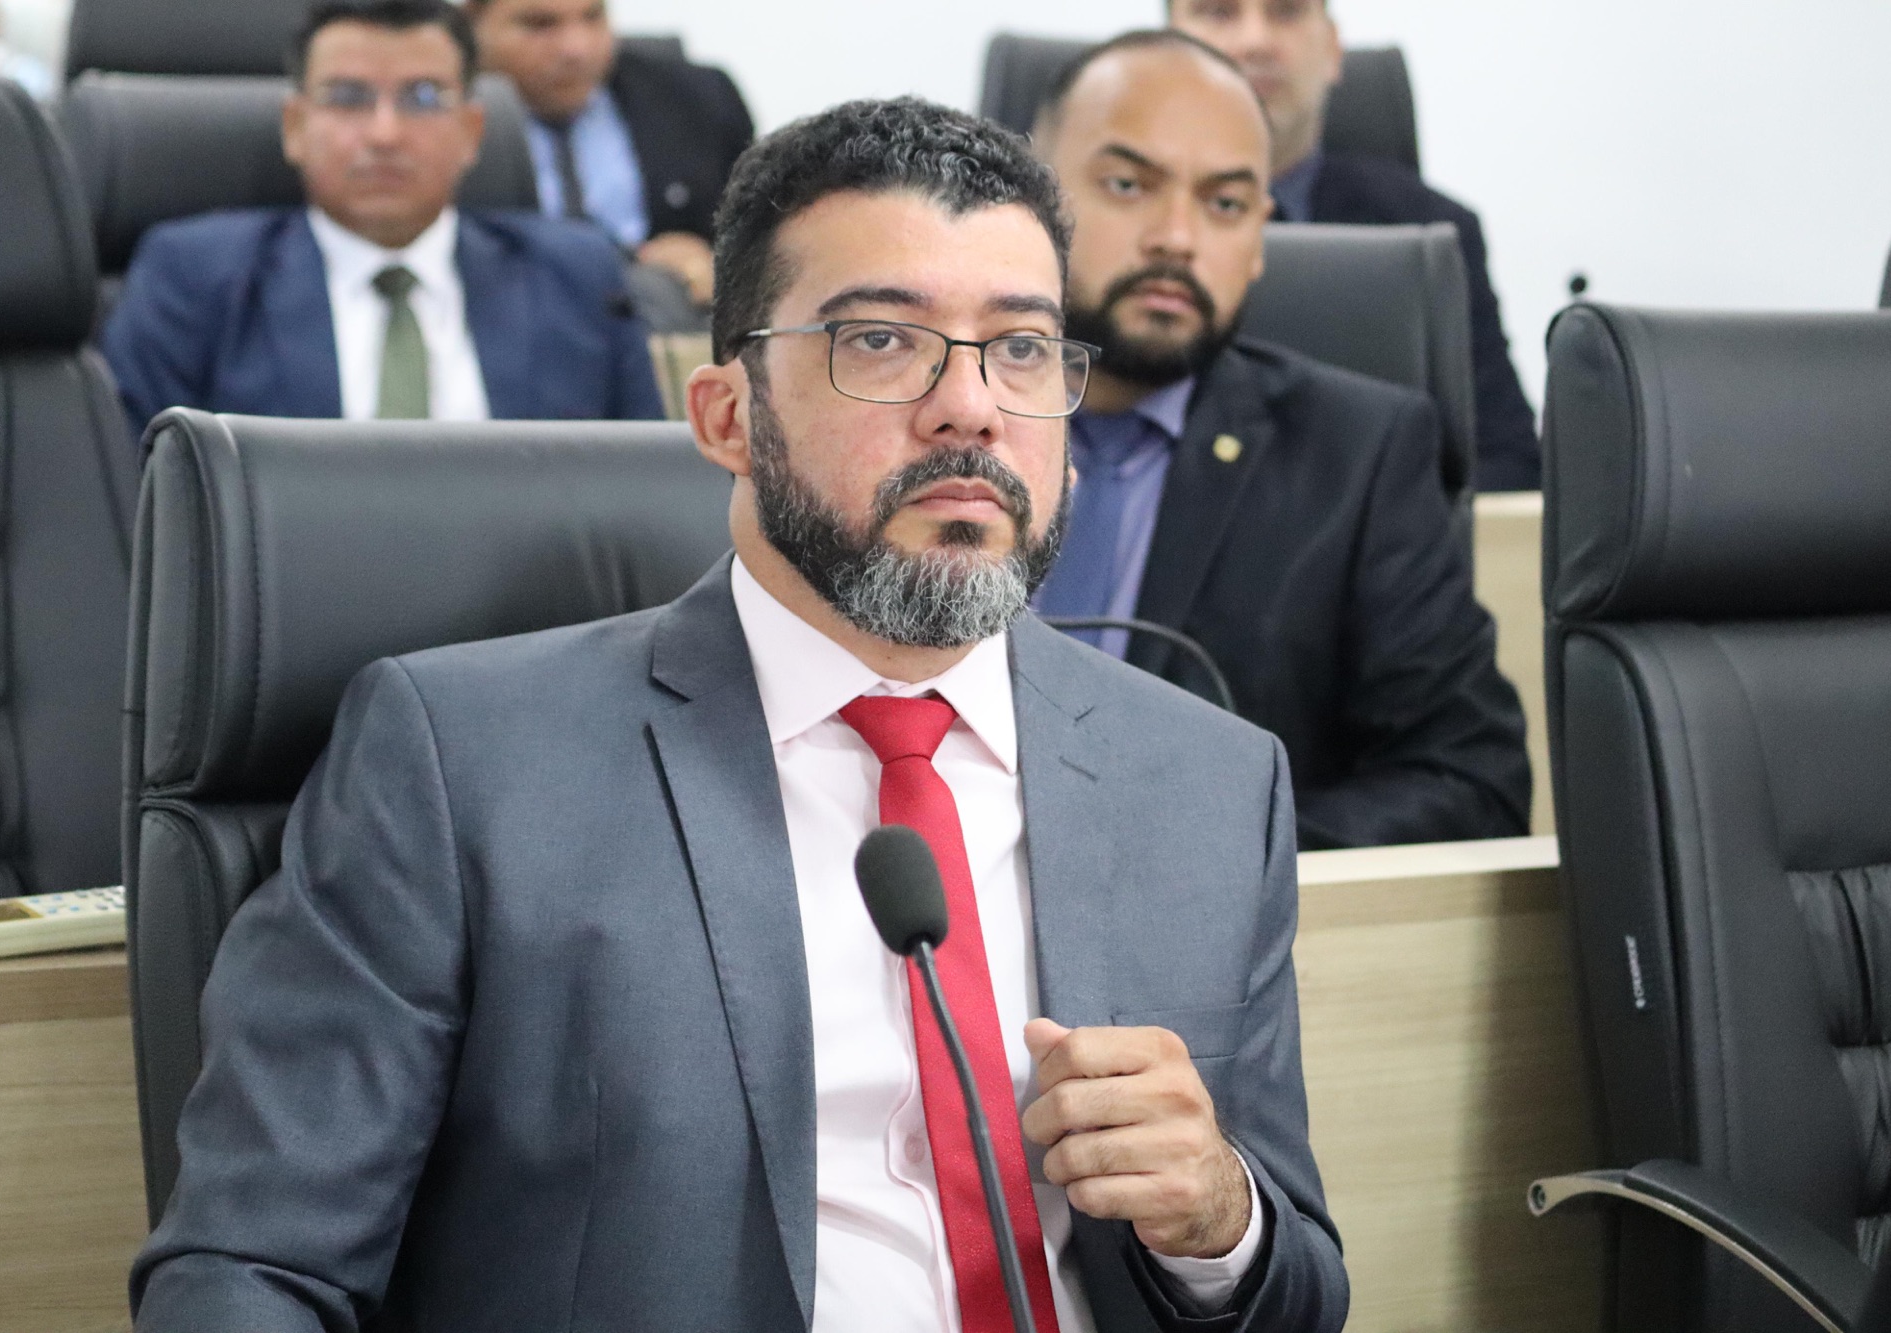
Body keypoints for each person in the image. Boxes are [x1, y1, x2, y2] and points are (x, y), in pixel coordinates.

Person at [128, 97, 1348, 1333]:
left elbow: (1300, 1294)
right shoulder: (461, 765)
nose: (971, 407)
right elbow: (250, 1270)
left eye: (1021, 348)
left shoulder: (1205, 780)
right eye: (883, 340)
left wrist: (1220, 1221)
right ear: (727, 417)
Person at [1031, 31, 1530, 850]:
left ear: (1261, 236)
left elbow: (1471, 783)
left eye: (1225, 204)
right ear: (1032, 196)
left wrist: (1224, 862)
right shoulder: (924, 415)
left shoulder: (1357, 458)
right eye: (1127, 184)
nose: (1177, 237)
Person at [102, 0, 662, 442]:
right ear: (295, 127)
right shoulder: (195, 277)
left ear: (472, 131)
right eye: (348, 98)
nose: (384, 134)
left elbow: (639, 491)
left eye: (423, 98)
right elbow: (142, 495)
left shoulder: (575, 276)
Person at [1169, 0, 1540, 492]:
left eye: (1286, 12)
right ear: (1167, 53)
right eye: (1219, 12)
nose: (1256, 41)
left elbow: (1508, 464)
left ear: (1332, 49)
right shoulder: (1093, 233)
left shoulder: (1433, 234)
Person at [467, 0, 754, 312]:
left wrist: (715, 265)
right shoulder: (443, 118)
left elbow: (759, 239)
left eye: (593, 17)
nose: (577, 48)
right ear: (472, 23)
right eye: (540, 25)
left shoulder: (697, 98)